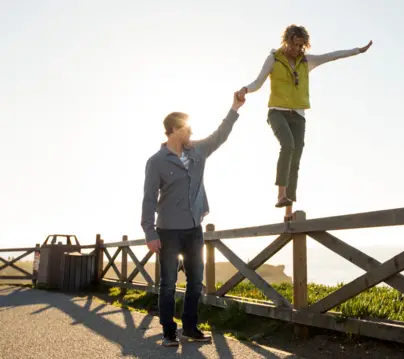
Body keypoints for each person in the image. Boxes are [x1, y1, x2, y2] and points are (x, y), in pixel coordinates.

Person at [140, 91, 245, 347]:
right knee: (167, 285)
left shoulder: (198, 151)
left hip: (193, 230)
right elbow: (149, 199)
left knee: (196, 282)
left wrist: (234, 107)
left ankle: (189, 328)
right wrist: (150, 233)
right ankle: (168, 331)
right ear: (174, 130)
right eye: (186, 129)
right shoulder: (156, 162)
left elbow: (220, 135)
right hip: (167, 232)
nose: (191, 133)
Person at [237, 24, 373, 221]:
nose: (297, 49)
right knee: (287, 145)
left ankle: (288, 211)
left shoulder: (307, 61)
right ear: (286, 41)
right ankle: (280, 194)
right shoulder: (274, 59)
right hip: (277, 113)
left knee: (296, 159)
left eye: (301, 46)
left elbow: (332, 55)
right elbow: (258, 82)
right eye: (294, 45)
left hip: (298, 116)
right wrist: (245, 90)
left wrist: (357, 51)